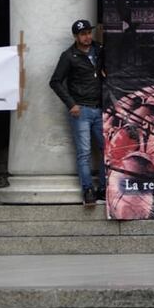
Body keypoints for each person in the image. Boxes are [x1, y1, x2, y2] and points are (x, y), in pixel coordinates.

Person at [49, 19, 106, 207]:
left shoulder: (98, 49)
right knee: (84, 152)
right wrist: (71, 104)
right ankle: (88, 190)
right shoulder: (69, 56)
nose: (87, 37)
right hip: (81, 109)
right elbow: (55, 81)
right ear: (76, 36)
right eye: (83, 34)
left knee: (106, 149)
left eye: (89, 33)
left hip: (99, 107)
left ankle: (103, 188)